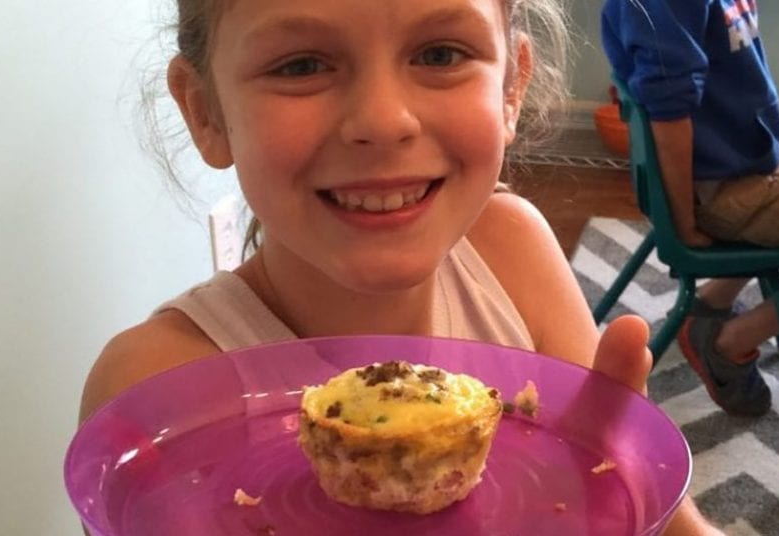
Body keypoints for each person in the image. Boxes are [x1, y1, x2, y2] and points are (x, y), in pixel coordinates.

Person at [79, 0, 722, 533]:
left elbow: (678, 524)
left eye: (440, 54)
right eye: (301, 64)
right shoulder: (157, 391)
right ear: (205, 113)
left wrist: (620, 494)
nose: (384, 121)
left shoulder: (514, 252)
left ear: (511, 87)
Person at [601, 0, 779, 416]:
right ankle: (730, 342)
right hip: (718, 187)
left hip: (743, 158)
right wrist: (684, 225)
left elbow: (742, 67)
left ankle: (710, 305)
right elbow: (670, 113)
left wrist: (772, 155)